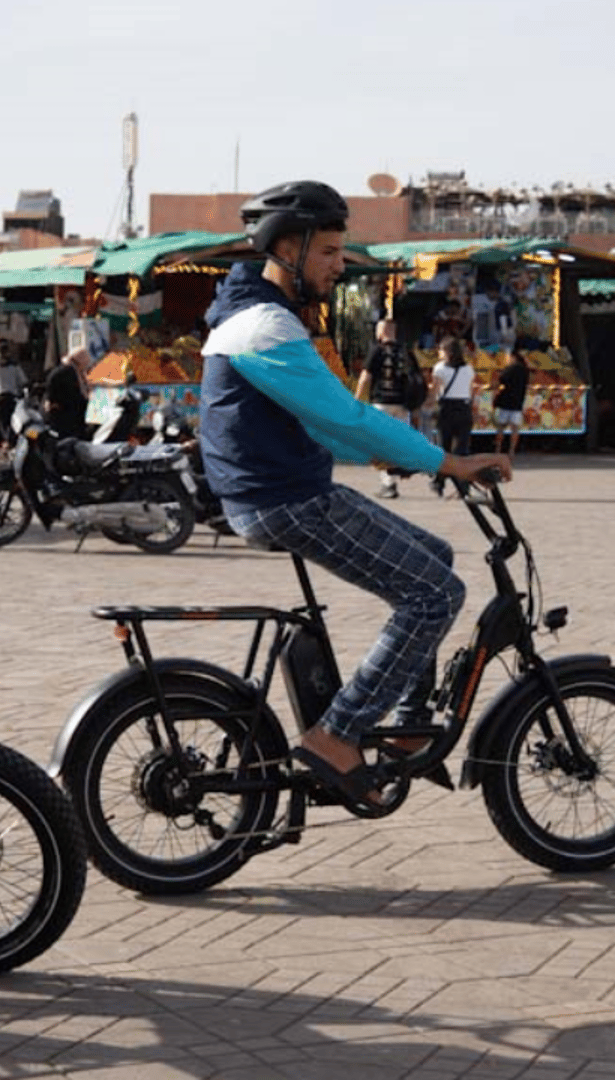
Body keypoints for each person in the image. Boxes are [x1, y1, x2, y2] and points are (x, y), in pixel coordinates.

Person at [198, 180, 511, 807]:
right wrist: (448, 461)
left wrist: (399, 455)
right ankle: (338, 735)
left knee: (436, 560)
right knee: (435, 596)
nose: (341, 265)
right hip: (285, 499)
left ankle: (401, 727)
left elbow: (330, 428)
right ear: (286, 247)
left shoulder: (256, 314)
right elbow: (346, 420)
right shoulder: (262, 324)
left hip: (281, 490)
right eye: (330, 251)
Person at [355, 318, 414, 499]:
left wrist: (356, 399)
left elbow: (365, 377)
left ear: (382, 332)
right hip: (403, 405)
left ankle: (389, 484)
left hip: (381, 403)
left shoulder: (377, 351)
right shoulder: (406, 352)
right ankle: (398, 470)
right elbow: (416, 378)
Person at [429, 337, 479, 496]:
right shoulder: (469, 369)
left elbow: (435, 391)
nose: (439, 353)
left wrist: (428, 404)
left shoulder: (439, 368)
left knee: (444, 448)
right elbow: (471, 391)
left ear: (448, 352)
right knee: (463, 448)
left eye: (441, 350)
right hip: (464, 408)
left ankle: (439, 482)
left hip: (447, 409)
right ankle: (464, 485)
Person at [43, 346, 90, 439]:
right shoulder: (68, 372)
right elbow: (76, 396)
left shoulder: (72, 371)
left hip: (65, 417)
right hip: (67, 420)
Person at [0, 339, 27, 447]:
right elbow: (23, 381)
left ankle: (7, 441)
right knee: (13, 420)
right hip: (12, 397)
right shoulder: (14, 366)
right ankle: (11, 441)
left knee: (2, 421)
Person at [492, 346, 530, 458]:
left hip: (506, 401)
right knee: (515, 429)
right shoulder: (525, 370)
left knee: (500, 428)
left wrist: (494, 389)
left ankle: (498, 450)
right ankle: (512, 451)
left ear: (513, 357)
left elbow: (499, 381)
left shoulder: (510, 369)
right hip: (518, 402)